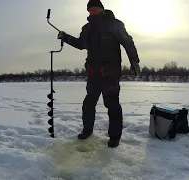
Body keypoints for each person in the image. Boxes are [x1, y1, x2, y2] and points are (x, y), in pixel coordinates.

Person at [57, 0, 140, 148]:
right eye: (90, 10)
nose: (92, 12)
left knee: (112, 105)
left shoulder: (114, 24)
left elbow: (128, 42)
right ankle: (87, 130)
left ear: (101, 9)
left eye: (95, 9)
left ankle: (114, 136)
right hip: (93, 74)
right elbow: (81, 44)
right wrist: (66, 37)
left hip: (110, 74)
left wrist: (134, 62)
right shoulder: (87, 28)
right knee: (88, 104)